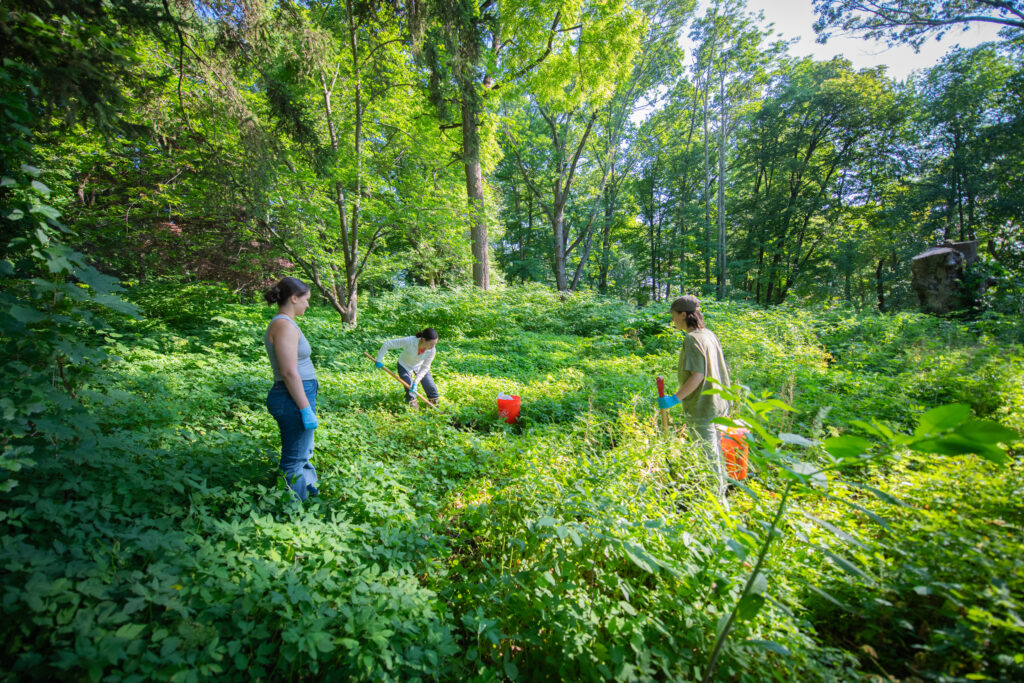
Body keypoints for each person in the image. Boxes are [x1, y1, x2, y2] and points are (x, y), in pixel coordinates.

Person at [657, 295, 732, 505]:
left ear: (683, 315)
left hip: (703, 407)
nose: (673, 320)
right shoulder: (708, 334)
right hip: (719, 404)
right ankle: (720, 495)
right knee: (715, 452)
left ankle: (716, 505)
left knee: (708, 456)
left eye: (674, 316)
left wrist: (674, 399)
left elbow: (697, 375)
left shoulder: (692, 339)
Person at [264, 277, 319, 500]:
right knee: (294, 460)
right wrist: (305, 408)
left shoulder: (287, 323)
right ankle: (295, 511)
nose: (308, 305)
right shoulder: (283, 325)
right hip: (292, 397)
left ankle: (309, 493)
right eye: (306, 300)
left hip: (297, 394)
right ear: (294, 298)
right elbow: (288, 372)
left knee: (302, 452)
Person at [375, 328, 440, 408]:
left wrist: (415, 382)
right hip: (404, 365)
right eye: (431, 344)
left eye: (434, 344)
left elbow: (425, 367)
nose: (433, 346)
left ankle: (434, 409)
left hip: (419, 366)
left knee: (431, 388)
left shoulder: (432, 350)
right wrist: (378, 360)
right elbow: (388, 344)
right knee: (409, 390)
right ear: (423, 339)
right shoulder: (410, 341)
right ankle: (413, 411)